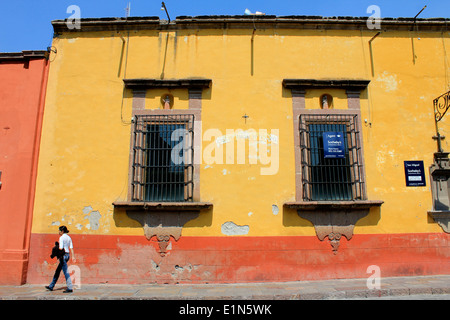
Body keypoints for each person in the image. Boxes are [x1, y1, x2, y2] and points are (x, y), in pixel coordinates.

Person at [45, 226, 76, 293]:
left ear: (62, 231)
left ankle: (70, 288)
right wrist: (73, 257)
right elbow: (71, 248)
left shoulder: (61, 238)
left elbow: (61, 248)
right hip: (67, 255)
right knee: (58, 271)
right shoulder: (69, 237)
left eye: (59, 230)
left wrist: (56, 249)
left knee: (65, 272)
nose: (58, 232)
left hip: (62, 256)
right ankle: (51, 286)